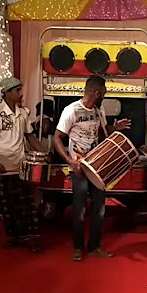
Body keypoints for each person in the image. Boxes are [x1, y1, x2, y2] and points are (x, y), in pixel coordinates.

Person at [53, 75, 131, 261]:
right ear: (97, 93)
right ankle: (78, 248)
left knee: (99, 210)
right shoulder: (71, 110)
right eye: (104, 92)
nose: (105, 94)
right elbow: (57, 138)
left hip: (97, 167)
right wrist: (70, 161)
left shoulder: (99, 110)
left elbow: (102, 133)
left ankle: (95, 247)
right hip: (79, 167)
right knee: (79, 210)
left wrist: (115, 128)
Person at [0, 77, 45, 252]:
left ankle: (30, 238)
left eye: (20, 89)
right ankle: (13, 237)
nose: (21, 93)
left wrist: (43, 153)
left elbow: (30, 136)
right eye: (17, 90)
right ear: (7, 93)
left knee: (26, 204)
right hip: (2, 166)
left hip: (21, 166)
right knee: (7, 205)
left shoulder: (23, 113)